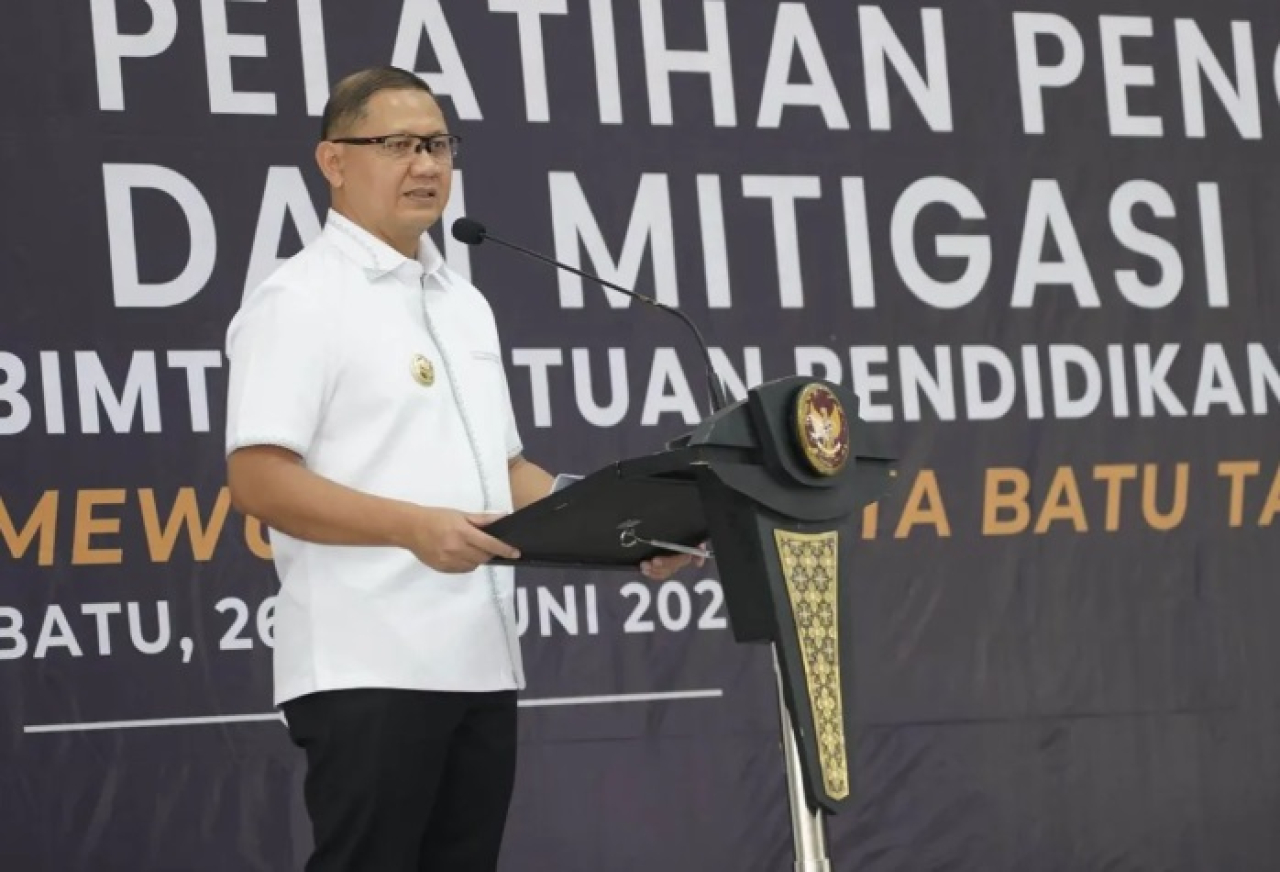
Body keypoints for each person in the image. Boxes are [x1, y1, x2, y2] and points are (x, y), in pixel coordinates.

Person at [223, 66, 694, 872]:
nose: (426, 165)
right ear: (333, 162)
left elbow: (501, 472)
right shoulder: (299, 299)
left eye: (439, 145)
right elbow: (258, 480)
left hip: (477, 661)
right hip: (366, 664)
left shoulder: (463, 303)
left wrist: (631, 532)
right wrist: (413, 528)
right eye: (397, 145)